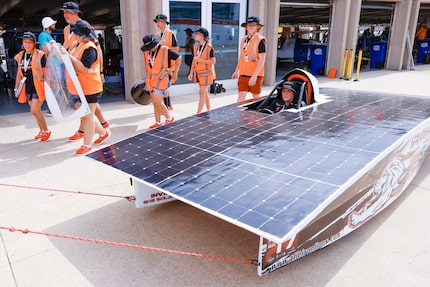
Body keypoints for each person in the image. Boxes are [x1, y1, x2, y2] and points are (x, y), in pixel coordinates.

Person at [59, 1, 110, 141]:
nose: (66, 15)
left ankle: (93, 129)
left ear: (76, 13)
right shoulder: (66, 30)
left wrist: (100, 72)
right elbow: (69, 50)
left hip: (85, 74)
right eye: (64, 13)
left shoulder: (85, 28)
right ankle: (88, 129)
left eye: (68, 13)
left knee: (87, 107)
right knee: (82, 106)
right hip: (74, 74)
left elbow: (96, 50)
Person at [13, 32, 51, 142]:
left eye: (30, 42)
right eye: (25, 42)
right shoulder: (20, 56)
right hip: (27, 86)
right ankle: (41, 130)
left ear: (34, 43)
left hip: (38, 85)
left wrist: (49, 87)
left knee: (34, 110)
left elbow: (47, 72)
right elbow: (19, 73)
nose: (27, 44)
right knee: (35, 111)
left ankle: (46, 131)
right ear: (22, 43)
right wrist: (16, 88)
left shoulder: (41, 54)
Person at [140, 34, 181, 128]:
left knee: (158, 102)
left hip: (161, 80)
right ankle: (157, 122)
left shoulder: (165, 50)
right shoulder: (149, 52)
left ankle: (169, 118)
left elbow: (178, 57)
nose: (150, 48)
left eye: (151, 46)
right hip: (151, 81)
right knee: (155, 103)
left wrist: (175, 73)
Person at [232, 16, 267, 103]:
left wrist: (254, 76)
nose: (250, 27)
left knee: (256, 97)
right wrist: (236, 71)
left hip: (255, 75)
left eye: (253, 25)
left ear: (257, 27)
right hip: (243, 73)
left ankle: (259, 115)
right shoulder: (244, 40)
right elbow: (242, 57)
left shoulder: (261, 40)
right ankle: (238, 115)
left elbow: (262, 59)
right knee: (241, 95)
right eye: (248, 25)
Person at [153, 13, 179, 111]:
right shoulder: (156, 35)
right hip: (159, 65)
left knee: (165, 85)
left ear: (164, 23)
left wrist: (166, 50)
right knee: (163, 85)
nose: (157, 24)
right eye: (157, 22)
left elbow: (176, 49)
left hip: (168, 65)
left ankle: (167, 105)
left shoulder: (170, 34)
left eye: (159, 21)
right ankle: (167, 105)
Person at [187, 27, 215, 114]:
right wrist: (191, 72)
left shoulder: (209, 47)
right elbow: (194, 60)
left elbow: (213, 61)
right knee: (204, 92)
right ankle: (209, 109)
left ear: (202, 36)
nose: (195, 35)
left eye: (197, 34)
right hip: (198, 73)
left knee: (202, 93)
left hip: (206, 73)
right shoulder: (195, 46)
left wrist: (200, 60)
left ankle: (198, 113)